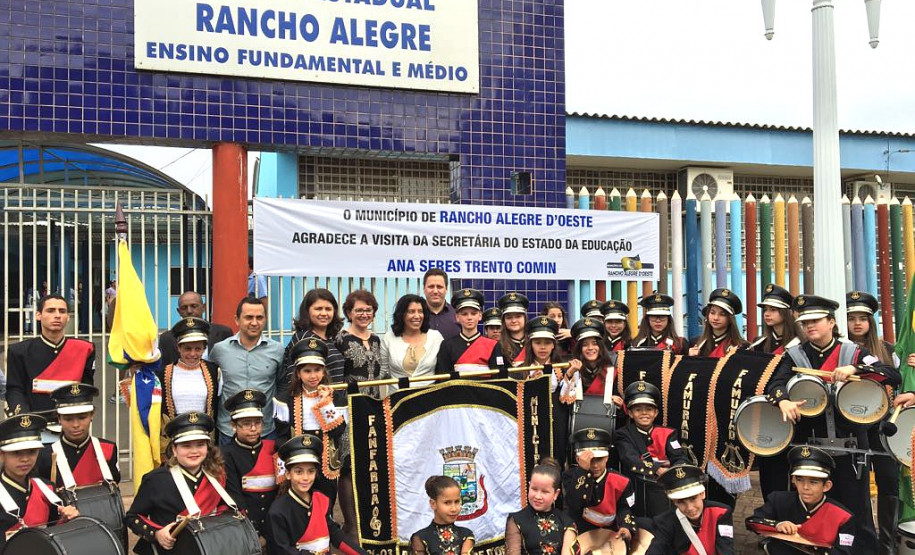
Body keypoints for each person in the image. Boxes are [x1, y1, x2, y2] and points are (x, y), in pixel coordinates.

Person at [767, 295, 898, 552]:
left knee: (856, 515)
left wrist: (856, 369)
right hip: (811, 449)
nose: (809, 327)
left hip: (850, 450)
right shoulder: (794, 355)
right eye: (805, 323)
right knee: (814, 513)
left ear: (831, 322)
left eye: (815, 321)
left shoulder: (853, 352)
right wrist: (782, 401)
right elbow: (774, 384)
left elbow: (892, 374)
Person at [126, 412, 233, 555]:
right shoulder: (156, 480)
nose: (194, 451)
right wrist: (157, 533)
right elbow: (133, 517)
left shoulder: (217, 476)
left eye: (200, 445)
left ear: (207, 448)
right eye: (186, 446)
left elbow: (223, 511)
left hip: (207, 548)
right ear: (174, 450)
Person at [846, 290, 899, 555]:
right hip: (854, 424)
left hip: (883, 422)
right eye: (851, 317)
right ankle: (865, 538)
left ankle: (887, 542)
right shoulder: (843, 351)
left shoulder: (888, 350)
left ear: (871, 321)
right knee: (860, 481)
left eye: (862, 318)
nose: (857, 323)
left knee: (889, 479)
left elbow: (899, 381)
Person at [274, 337, 349, 523]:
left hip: (325, 461)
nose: (313, 375)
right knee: (297, 505)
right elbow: (281, 437)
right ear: (298, 373)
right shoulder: (285, 399)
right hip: (298, 460)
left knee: (325, 505)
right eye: (307, 371)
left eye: (317, 370)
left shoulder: (336, 398)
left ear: (324, 371)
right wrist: (284, 469)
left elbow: (339, 432)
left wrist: (325, 404)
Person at [265, 434, 367, 555]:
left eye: (311, 471)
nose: (305, 478)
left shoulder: (321, 499)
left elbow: (335, 534)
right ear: (288, 474)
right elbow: (282, 551)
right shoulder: (277, 512)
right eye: (298, 472)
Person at [748, 445, 856, 554]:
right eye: (800, 480)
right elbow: (752, 521)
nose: (805, 487)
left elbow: (844, 551)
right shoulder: (778, 500)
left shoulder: (843, 517)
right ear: (793, 480)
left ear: (826, 486)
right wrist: (777, 525)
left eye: (813, 482)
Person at [209, 296, 284, 444]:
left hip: (265, 430)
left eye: (259, 317)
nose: (254, 323)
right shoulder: (220, 350)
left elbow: (282, 386)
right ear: (237, 320)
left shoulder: (278, 350)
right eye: (249, 317)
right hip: (229, 430)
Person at [5, 294, 95, 416]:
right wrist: (24, 420)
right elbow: (15, 390)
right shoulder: (19, 351)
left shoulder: (84, 349)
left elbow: (86, 390)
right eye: (50, 311)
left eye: (62, 311)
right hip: (34, 424)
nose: (57, 315)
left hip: (72, 424)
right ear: (38, 315)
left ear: (68, 317)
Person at [0, 414, 79, 549]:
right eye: (17, 453)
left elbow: (54, 536)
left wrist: (67, 520)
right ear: (2, 454)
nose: (25, 459)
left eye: (31, 452)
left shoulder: (48, 489)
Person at [614, 381, 689, 520]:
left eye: (649, 409)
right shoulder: (623, 434)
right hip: (638, 490)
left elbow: (680, 457)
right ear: (630, 413)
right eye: (638, 410)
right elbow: (630, 459)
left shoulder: (668, 433)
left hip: (663, 491)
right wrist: (658, 468)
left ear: (656, 413)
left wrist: (675, 471)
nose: (644, 413)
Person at [156, 317, 223, 451]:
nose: (192, 354)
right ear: (178, 347)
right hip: (175, 439)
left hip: (204, 439)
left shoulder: (215, 372)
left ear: (204, 349)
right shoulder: (163, 374)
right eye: (187, 348)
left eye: (198, 349)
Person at [37, 384, 120, 488]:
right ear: (59, 418)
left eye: (82, 418)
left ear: (92, 415)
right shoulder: (45, 456)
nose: (75, 425)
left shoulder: (108, 449)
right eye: (68, 419)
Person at [222, 389, 277, 544]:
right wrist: (254, 532)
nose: (253, 429)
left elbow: (281, 491)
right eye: (246, 424)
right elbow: (234, 495)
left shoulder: (273, 448)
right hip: (245, 524)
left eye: (257, 423)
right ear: (234, 426)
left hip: (274, 521)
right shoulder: (226, 454)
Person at [561, 428, 636, 541]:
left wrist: (626, 527)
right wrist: (583, 471)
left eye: (599, 459)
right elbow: (573, 504)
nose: (595, 465)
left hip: (610, 534)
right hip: (579, 532)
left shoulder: (621, 481)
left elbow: (624, 508)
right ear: (578, 459)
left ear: (607, 457)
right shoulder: (570, 477)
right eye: (590, 460)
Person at [644, 464, 734, 555]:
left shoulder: (720, 513)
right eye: (681, 502)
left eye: (693, 498)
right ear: (674, 502)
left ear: (702, 494)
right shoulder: (664, 522)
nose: (690, 508)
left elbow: (726, 549)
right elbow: (655, 549)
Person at [524, 316, 574, 463]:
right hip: (531, 420)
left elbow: (566, 399)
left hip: (557, 421)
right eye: (538, 343)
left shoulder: (564, 367)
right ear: (531, 344)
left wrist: (569, 375)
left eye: (547, 343)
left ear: (554, 345)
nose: (543, 347)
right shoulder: (520, 370)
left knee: (556, 456)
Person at [282, 289, 347, 400]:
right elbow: (293, 378)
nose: (324, 313)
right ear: (307, 312)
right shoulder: (303, 338)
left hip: (334, 403)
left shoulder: (331, 339)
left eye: (328, 309)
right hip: (313, 405)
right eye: (318, 309)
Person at [505, 458, 578, 555]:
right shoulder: (516, 520)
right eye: (534, 489)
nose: (538, 496)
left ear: (556, 494)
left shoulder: (567, 523)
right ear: (529, 486)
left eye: (545, 492)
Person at [381, 294, 444, 394]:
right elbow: (382, 371)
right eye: (411, 312)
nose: (417, 316)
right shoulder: (389, 338)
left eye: (420, 311)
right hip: (397, 400)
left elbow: (443, 370)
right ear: (401, 314)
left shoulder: (435, 337)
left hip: (429, 399)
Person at [158, 291, 233, 366]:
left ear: (203, 307)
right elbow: (162, 370)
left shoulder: (223, 333)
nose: (189, 311)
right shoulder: (166, 339)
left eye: (194, 306)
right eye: (184, 308)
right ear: (179, 311)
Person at [436, 288, 498, 375]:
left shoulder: (493, 345)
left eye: (473, 313)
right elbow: (443, 378)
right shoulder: (447, 346)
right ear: (457, 317)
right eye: (464, 314)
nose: (469, 317)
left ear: (480, 316)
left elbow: (498, 378)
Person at [410, 475, 475, 555]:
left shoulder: (466, 535)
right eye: (447, 503)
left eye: (457, 501)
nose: (454, 508)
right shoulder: (420, 538)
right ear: (433, 504)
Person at [336, 289, 383, 398]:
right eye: (359, 310)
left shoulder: (375, 339)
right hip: (350, 402)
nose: (364, 314)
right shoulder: (340, 339)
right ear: (349, 313)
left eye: (368, 310)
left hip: (374, 401)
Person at [569, 317, 622, 406]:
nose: (590, 348)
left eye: (594, 344)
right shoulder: (572, 370)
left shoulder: (612, 372)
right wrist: (569, 375)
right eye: (585, 344)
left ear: (600, 347)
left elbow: (621, 413)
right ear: (579, 349)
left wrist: (618, 403)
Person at [689, 288, 747, 357]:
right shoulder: (696, 343)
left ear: (730, 319)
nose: (716, 318)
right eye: (712, 313)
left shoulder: (741, 347)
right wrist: (691, 359)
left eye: (722, 314)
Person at [748, 284, 799, 354]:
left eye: (773, 309)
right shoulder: (760, 344)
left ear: (787, 313)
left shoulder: (799, 343)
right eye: (765, 309)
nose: (767, 314)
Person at [489, 292, 529, 368]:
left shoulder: (534, 342)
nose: (513, 320)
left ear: (525, 318)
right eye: (509, 317)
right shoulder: (499, 347)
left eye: (518, 316)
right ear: (504, 321)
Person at [424, 268, 461, 340]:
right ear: (424, 289)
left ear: (446, 289)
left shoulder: (457, 315)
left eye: (439, 287)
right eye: (431, 286)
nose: (435, 291)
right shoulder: (416, 316)